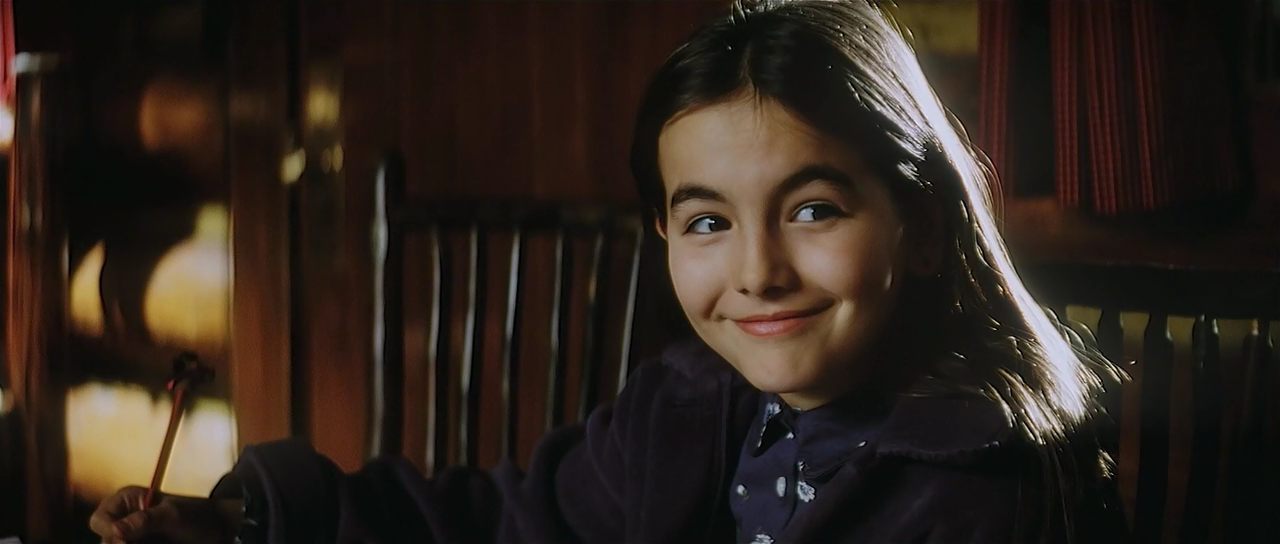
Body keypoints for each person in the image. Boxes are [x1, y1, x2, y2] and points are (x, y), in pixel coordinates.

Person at [91, 1, 1128, 542]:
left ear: (924, 228)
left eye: (813, 209)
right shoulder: (693, 405)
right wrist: (244, 522)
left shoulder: (983, 498)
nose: (757, 270)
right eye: (707, 221)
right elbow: (503, 522)